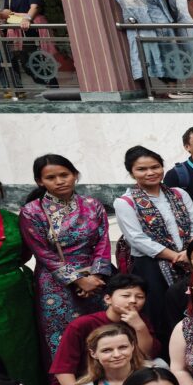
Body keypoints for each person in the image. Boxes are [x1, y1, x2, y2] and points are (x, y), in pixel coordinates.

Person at [20, 155, 115, 369]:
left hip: (95, 277)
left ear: (75, 175)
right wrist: (77, 280)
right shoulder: (31, 211)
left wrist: (97, 277)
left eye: (65, 175)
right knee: (61, 335)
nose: (60, 181)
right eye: (51, 177)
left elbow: (102, 242)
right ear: (40, 182)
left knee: (103, 332)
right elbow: (43, 253)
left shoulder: (93, 205)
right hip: (55, 283)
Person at [115, 146, 193, 335]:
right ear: (131, 173)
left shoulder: (179, 193)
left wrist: (189, 252)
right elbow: (137, 239)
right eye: (142, 169)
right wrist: (176, 257)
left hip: (189, 259)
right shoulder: (125, 202)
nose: (150, 173)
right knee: (161, 314)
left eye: (155, 167)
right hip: (152, 266)